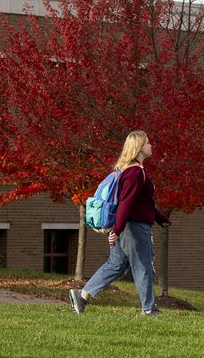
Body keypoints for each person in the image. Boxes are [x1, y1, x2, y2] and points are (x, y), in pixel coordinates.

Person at [70, 130, 170, 316]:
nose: (151, 146)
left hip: (126, 226)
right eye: (147, 143)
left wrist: (160, 218)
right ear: (139, 147)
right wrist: (116, 230)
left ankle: (82, 295)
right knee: (143, 266)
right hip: (133, 228)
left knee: (116, 265)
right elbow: (126, 203)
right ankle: (149, 309)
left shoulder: (129, 170)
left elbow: (141, 202)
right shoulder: (135, 172)